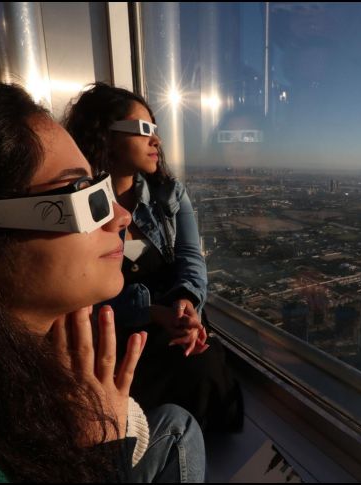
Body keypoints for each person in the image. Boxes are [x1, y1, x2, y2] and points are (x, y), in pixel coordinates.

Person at [0, 76, 205, 482]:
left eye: (101, 187)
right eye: (81, 193)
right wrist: (103, 455)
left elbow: (190, 261)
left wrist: (185, 302)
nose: (120, 218)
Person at [64, 83, 242, 432]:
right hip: (113, 336)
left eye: (156, 131)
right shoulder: (74, 209)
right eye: (144, 130)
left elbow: (192, 259)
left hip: (170, 323)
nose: (156, 141)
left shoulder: (169, 196)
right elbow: (76, 295)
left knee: (203, 369)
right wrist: (147, 312)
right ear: (106, 136)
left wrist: (186, 302)